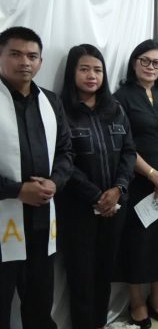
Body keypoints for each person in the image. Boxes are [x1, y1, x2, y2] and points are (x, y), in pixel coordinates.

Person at [57, 44, 136, 329]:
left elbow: (129, 152)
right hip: (78, 209)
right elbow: (61, 160)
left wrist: (118, 189)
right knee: (81, 276)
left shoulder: (115, 109)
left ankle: (100, 324)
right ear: (72, 73)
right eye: (85, 69)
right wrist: (96, 196)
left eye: (98, 70)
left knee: (104, 274)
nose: (92, 76)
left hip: (115, 206)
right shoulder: (60, 110)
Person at [0, 27, 73, 329]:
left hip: (42, 221)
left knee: (40, 303)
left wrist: (56, 181)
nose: (25, 62)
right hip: (2, 220)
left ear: (41, 61)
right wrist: (17, 190)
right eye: (15, 54)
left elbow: (66, 151)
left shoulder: (50, 101)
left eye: (32, 56)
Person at [114, 39, 158, 328]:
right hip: (138, 181)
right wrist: (153, 175)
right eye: (145, 61)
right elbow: (123, 144)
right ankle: (137, 301)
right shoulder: (121, 98)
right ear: (134, 63)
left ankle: (156, 297)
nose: (151, 67)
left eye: (157, 63)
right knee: (137, 244)